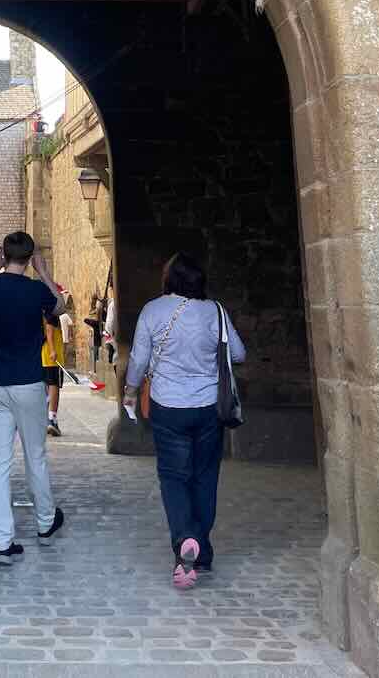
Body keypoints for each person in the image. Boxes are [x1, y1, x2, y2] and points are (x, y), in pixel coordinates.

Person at [122, 252, 246, 589]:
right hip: (208, 407)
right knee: (205, 476)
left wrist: (131, 391)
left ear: (168, 279)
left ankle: (185, 541)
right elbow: (238, 353)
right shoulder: (215, 311)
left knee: (174, 477)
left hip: (168, 406)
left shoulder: (152, 310)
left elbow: (139, 358)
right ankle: (201, 552)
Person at [0, 232, 67, 567]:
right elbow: (60, 306)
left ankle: (3, 542)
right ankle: (45, 522)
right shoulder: (35, 289)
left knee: (0, 463)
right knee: (35, 456)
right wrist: (44, 274)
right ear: (30, 258)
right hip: (28, 382)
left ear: (4, 253)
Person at [41, 297, 66, 437]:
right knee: (54, 386)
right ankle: (52, 419)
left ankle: (45, 420)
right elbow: (49, 332)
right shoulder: (50, 313)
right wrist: (52, 350)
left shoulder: (42, 313)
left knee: (45, 388)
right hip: (51, 358)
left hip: (44, 357)